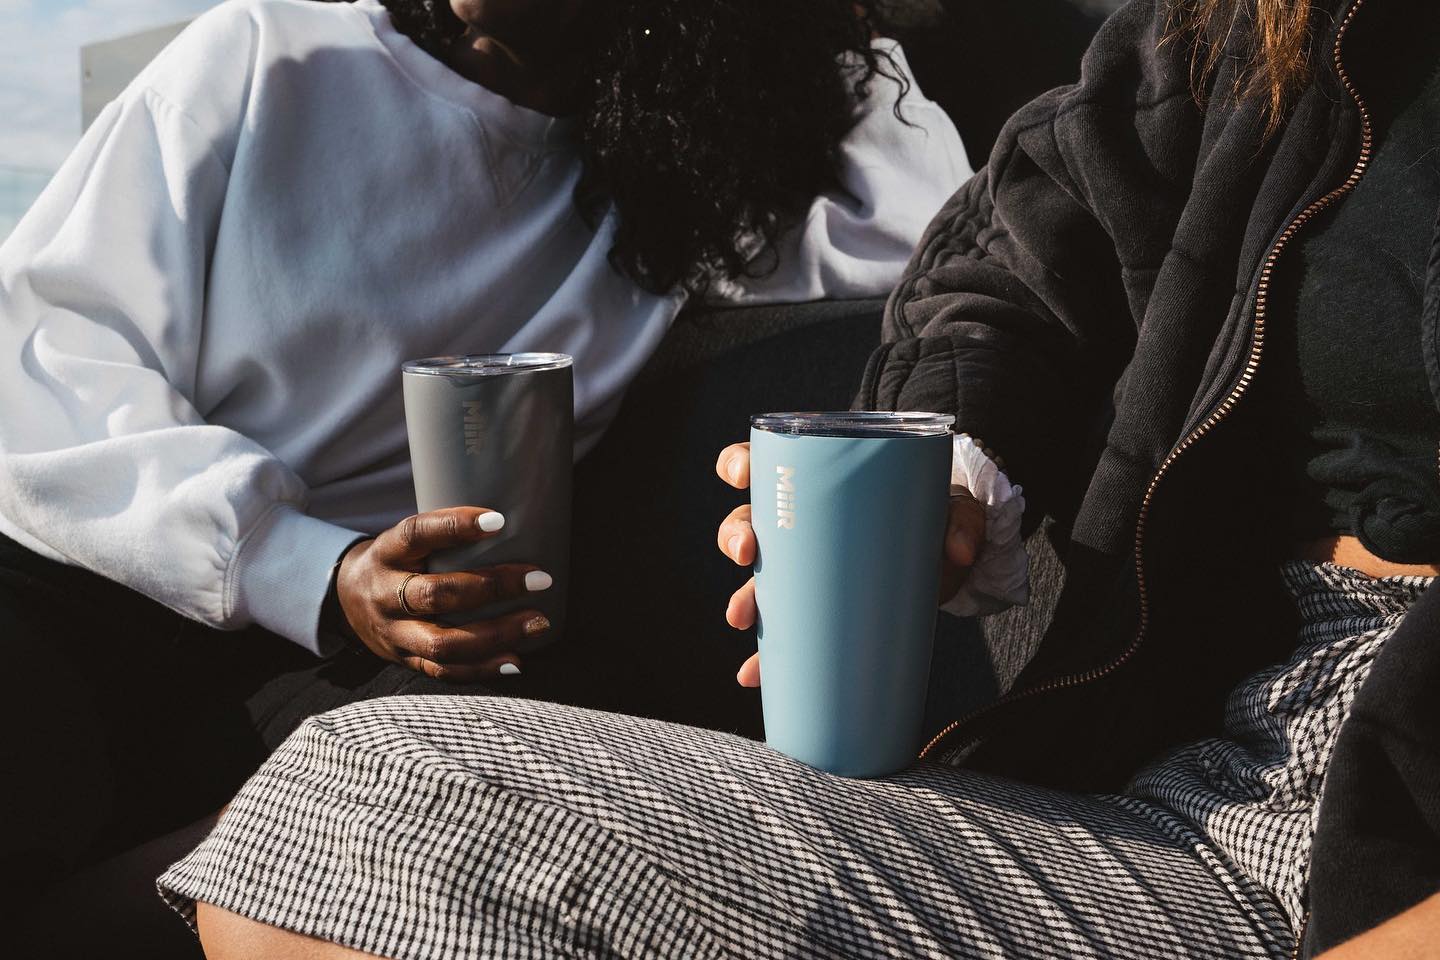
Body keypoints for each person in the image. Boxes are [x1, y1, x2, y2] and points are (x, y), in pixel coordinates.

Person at [160, 0, 1439, 957]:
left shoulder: (729, 121)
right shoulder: (1273, 32)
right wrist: (954, 462)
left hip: (1387, 807)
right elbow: (1011, 240)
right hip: (1196, 742)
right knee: (345, 802)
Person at [0, 0, 969, 905]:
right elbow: (50, 356)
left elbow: (931, 257)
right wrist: (307, 567)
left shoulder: (680, 173)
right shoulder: (267, 54)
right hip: (92, 578)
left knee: (499, 758)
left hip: (383, 646)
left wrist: (816, 42)